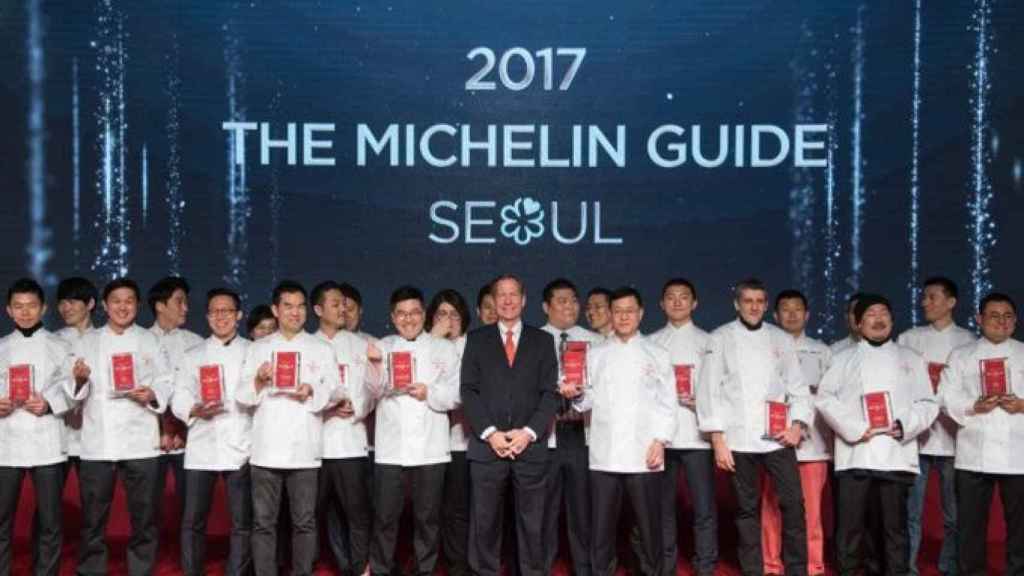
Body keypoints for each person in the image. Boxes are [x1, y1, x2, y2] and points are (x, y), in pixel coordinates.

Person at [816, 294, 938, 576]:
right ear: (858, 324)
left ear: (892, 321)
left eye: (884, 312)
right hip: (857, 453)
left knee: (894, 529)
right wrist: (856, 428)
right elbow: (824, 398)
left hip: (895, 453)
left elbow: (928, 403)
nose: (879, 318)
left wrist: (905, 425)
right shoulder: (842, 358)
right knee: (851, 528)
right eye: (870, 314)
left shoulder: (911, 359)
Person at [698, 278, 811, 576]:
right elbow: (709, 390)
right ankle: (753, 571)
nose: (754, 307)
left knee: (794, 506)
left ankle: (797, 570)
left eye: (759, 301)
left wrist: (797, 425)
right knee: (746, 510)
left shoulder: (781, 339)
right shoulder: (719, 338)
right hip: (738, 437)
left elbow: (798, 387)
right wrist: (718, 439)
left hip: (778, 438)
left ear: (765, 304)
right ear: (737, 304)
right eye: (748, 301)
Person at [65, 277, 174, 575]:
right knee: (93, 516)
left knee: (145, 515)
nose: (122, 306)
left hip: (140, 439)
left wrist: (152, 394)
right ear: (104, 306)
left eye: (129, 301)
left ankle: (140, 568)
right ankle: (91, 569)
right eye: (116, 301)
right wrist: (79, 379)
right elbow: (72, 389)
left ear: (137, 306)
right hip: (99, 440)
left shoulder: (150, 340)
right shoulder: (86, 341)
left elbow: (166, 380)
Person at [236, 280, 342, 576]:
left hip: (304, 448)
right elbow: (241, 396)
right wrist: (258, 380)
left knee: (304, 522)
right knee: (264, 523)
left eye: (300, 307)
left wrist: (312, 391)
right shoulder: (258, 348)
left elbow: (336, 391)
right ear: (275, 309)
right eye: (288, 306)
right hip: (266, 448)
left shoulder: (320, 348)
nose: (295, 313)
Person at [569, 286, 676, 576]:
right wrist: (576, 394)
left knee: (649, 528)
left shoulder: (658, 353)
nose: (624, 316)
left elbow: (669, 404)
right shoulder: (596, 354)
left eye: (630, 311)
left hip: (645, 453)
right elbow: (586, 400)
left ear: (641, 313)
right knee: (601, 530)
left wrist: (660, 441)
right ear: (611, 315)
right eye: (618, 311)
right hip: (605, 454)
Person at [460, 275, 559, 576]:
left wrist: (528, 433)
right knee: (485, 524)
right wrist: (490, 433)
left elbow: (549, 393)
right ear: (492, 301)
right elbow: (468, 390)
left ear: (524, 299)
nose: (507, 300)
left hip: (530, 446)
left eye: (513, 294)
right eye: (500, 295)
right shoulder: (477, 339)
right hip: (488, 447)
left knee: (533, 524)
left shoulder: (543, 340)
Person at [365, 286, 460, 576]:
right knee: (385, 517)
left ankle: (425, 570)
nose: (409, 319)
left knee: (428, 519)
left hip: (431, 446)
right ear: (393, 317)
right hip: (391, 447)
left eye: (415, 312)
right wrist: (377, 365)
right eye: (402, 314)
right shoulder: (381, 347)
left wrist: (428, 392)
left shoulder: (444, 348)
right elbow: (371, 391)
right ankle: (381, 569)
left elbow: (456, 394)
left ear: (424, 314)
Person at [938, 292, 1024, 575]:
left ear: (1015, 320)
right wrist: (974, 405)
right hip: (974, 452)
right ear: (979, 319)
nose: (1002, 321)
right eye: (994, 315)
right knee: (971, 526)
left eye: (1008, 316)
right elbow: (945, 397)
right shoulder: (962, 355)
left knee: (1020, 526)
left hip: (1019, 452)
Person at [171, 288, 253, 576]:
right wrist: (193, 409)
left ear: (239, 315)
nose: (221, 317)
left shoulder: (253, 351)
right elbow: (178, 394)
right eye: (215, 312)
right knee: (193, 520)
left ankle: (236, 572)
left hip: (241, 444)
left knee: (242, 521)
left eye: (227, 311)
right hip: (202, 444)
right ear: (206, 317)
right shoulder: (192, 354)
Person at [898, 277, 974, 576]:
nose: (925, 302)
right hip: (916, 439)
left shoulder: (968, 341)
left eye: (932, 297)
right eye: (924, 297)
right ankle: (907, 567)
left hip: (954, 439)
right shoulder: (908, 339)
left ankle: (949, 566)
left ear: (951, 302)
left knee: (953, 514)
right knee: (910, 512)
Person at [0, 278, 73, 576]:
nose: (25, 312)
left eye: (31, 306)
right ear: (8, 310)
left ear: (43, 308)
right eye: (19, 306)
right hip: (6, 442)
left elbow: (72, 387)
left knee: (50, 522)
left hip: (47, 442)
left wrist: (49, 403)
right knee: (2, 520)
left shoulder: (61, 346)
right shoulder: (1, 347)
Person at [647, 278, 717, 576]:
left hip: (698, 437)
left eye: (684, 297)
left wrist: (698, 401)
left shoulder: (709, 342)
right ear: (661, 304)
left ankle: (705, 565)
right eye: (671, 297)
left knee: (704, 509)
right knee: (662, 510)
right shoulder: (650, 343)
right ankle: (666, 566)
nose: (677, 302)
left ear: (695, 303)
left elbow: (720, 391)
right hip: (660, 440)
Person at [760, 290, 832, 576]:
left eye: (797, 309)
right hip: (772, 442)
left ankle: (813, 566)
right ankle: (770, 565)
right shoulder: (762, 347)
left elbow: (830, 397)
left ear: (807, 314)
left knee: (811, 512)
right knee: (771, 509)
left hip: (811, 445)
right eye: (785, 310)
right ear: (775, 316)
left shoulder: (822, 351)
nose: (791, 314)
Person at [538, 279, 603, 576]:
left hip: (581, 433)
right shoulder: (533, 340)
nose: (569, 306)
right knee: (544, 512)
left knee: (583, 512)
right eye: (561, 300)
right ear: (546, 307)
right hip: (546, 436)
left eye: (573, 300)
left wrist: (580, 396)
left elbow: (603, 387)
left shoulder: (595, 341)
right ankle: (542, 568)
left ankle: (584, 569)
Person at [312, 281, 374, 576]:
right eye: (336, 304)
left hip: (351, 439)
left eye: (345, 304)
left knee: (357, 513)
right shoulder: (306, 346)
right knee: (312, 515)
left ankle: (359, 568)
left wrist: (356, 406)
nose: (343, 309)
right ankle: (328, 565)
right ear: (318, 309)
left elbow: (372, 390)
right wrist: (327, 404)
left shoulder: (361, 346)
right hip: (314, 445)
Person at [147, 276, 203, 544]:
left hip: (189, 439)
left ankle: (189, 559)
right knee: (146, 507)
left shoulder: (196, 343)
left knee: (191, 507)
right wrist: (160, 431)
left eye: (186, 302)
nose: (185, 308)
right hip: (148, 439)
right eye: (179, 302)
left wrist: (180, 428)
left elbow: (198, 392)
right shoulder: (140, 341)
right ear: (160, 305)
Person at [426, 289, 473, 576]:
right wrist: (432, 338)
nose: (448, 321)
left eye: (454, 315)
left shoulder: (473, 347)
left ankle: (459, 565)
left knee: (459, 509)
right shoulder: (424, 345)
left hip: (462, 441)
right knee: (430, 511)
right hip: (428, 444)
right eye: (442, 314)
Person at [55, 276, 98, 476]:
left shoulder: (103, 340)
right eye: (62, 303)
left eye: (72, 302)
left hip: (94, 437)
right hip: (58, 436)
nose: (66, 308)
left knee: (94, 501)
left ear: (90, 303)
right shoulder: (53, 341)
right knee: (48, 504)